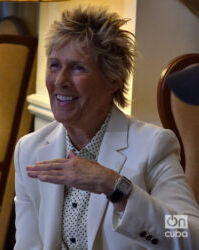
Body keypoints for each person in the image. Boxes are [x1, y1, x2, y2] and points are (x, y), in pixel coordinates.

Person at [13, 6, 199, 250]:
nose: (60, 81)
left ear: (114, 79)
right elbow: (28, 245)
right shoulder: (29, 149)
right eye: (55, 65)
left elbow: (190, 235)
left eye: (78, 67)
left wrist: (115, 187)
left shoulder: (153, 145)